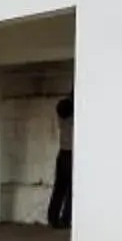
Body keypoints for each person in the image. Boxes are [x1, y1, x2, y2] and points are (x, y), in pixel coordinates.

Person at [46, 97, 73, 229]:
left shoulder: (62, 118)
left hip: (62, 154)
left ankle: (52, 216)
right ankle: (66, 218)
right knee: (71, 190)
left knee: (59, 187)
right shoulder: (74, 120)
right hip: (72, 154)